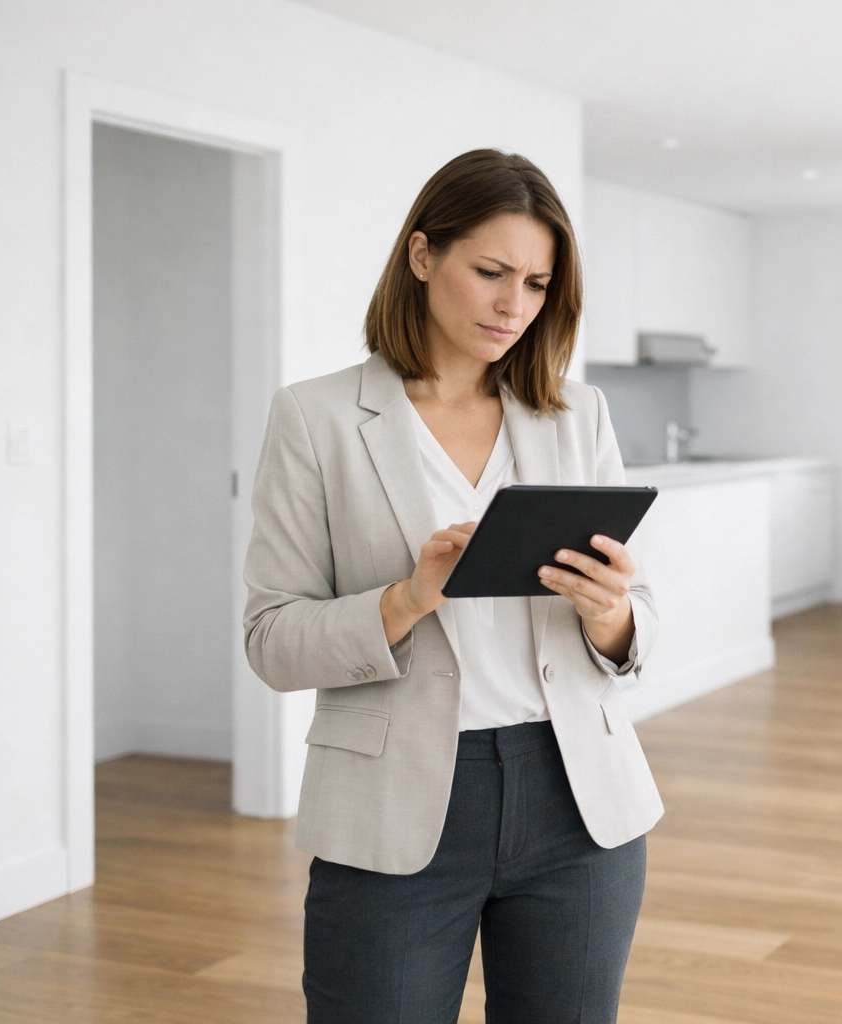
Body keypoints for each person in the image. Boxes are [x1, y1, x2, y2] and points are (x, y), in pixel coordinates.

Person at [242, 149, 662, 1024]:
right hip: (394, 806)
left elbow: (640, 623)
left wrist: (613, 613)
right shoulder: (317, 418)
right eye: (492, 272)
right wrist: (406, 597)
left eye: (539, 284)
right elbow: (273, 641)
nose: (515, 306)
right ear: (423, 255)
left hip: (576, 801)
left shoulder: (577, 414)